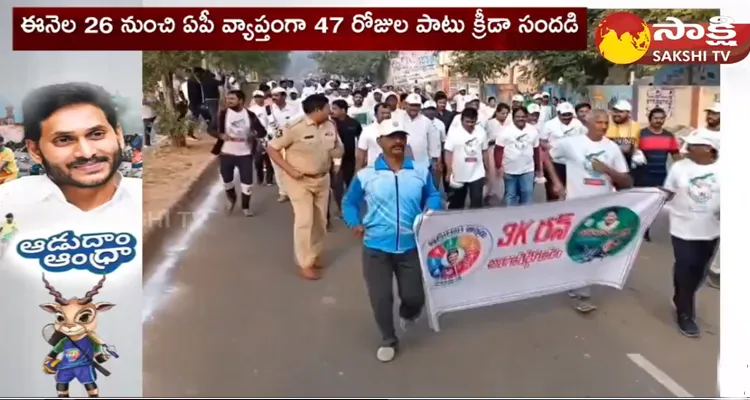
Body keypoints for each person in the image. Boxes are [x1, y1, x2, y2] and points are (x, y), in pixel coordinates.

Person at [341, 121, 442, 362]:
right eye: (391, 137)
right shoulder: (366, 175)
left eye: (401, 137)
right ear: (380, 142)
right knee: (381, 297)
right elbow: (349, 202)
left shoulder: (419, 170)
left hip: (410, 246)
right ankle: (388, 338)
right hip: (376, 247)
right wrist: (354, 221)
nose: (397, 141)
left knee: (415, 296)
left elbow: (434, 195)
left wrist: (429, 211)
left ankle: (409, 313)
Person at [0, 83, 140, 215]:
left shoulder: (144, 201)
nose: (87, 153)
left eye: (97, 134)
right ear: (35, 151)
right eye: (64, 140)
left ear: (118, 135)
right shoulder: (8, 205)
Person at [545, 109, 632, 313]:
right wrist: (556, 182)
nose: (603, 126)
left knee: (590, 245)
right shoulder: (571, 143)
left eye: (606, 123)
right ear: (588, 123)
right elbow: (546, 156)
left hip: (601, 208)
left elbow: (627, 181)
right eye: (599, 122)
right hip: (576, 204)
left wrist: (607, 170)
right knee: (578, 243)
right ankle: (579, 287)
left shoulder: (612, 148)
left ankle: (579, 286)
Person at [267, 94, 344, 280]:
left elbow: (337, 148)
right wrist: (289, 170)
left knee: (320, 221)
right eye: (327, 108)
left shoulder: (330, 125)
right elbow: (272, 148)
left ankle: (314, 254)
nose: (330, 111)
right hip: (299, 180)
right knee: (304, 220)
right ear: (318, 110)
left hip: (322, 179)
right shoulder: (294, 127)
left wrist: (336, 154)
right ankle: (305, 263)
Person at [662, 129, 720, 337]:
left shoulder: (725, 169)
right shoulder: (679, 167)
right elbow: (667, 192)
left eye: (693, 145)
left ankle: (681, 296)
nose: (687, 148)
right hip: (682, 228)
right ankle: (685, 314)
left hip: (711, 231)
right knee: (686, 267)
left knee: (699, 271)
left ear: (708, 149)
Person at [212, 90, 267, 217]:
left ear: (241, 100)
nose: (228, 101)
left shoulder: (250, 115)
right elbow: (211, 129)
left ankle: (246, 207)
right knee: (227, 181)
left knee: (247, 182)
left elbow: (262, 132)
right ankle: (232, 198)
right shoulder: (222, 114)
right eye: (227, 99)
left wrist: (254, 134)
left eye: (232, 99)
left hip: (245, 154)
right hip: (226, 153)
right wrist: (220, 135)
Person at [633, 107, 681, 241]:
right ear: (650, 119)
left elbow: (676, 155)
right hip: (642, 175)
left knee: (655, 205)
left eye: (661, 118)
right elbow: (633, 151)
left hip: (660, 176)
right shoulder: (641, 134)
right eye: (656, 118)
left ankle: (646, 228)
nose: (659, 121)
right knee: (641, 204)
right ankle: (641, 229)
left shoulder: (669, 136)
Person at [540, 102, 587, 202]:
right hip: (555, 163)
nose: (567, 117)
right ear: (558, 113)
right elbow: (542, 141)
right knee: (554, 192)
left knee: (572, 192)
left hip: (573, 163)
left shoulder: (578, 124)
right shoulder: (549, 125)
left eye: (569, 114)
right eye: (564, 115)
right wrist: (550, 148)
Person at [494, 107, 541, 206]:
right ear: (513, 117)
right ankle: (511, 218)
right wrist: (499, 166)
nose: (521, 119)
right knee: (511, 195)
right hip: (509, 169)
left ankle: (526, 218)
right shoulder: (505, 131)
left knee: (527, 193)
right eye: (518, 117)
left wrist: (538, 168)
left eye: (523, 117)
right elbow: (498, 150)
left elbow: (536, 150)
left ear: (527, 117)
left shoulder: (533, 130)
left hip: (528, 169)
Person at [445, 108, 490, 209]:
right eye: (467, 121)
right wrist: (449, 171)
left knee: (477, 202)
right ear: (462, 120)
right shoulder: (454, 133)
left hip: (477, 172)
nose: (470, 124)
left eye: (472, 121)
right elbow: (448, 152)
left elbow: (485, 151)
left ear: (476, 120)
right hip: (459, 172)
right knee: (457, 203)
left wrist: (487, 169)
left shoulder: (481, 131)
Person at [330, 99, 362, 216]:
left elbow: (360, 140)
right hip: (335, 160)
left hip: (350, 159)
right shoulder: (329, 124)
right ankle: (341, 208)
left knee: (351, 185)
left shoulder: (354, 123)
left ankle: (352, 207)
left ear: (343, 110)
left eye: (335, 108)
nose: (331, 111)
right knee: (337, 186)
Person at [270, 87, 301, 203]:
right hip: (276, 140)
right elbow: (268, 124)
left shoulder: (294, 108)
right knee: (278, 166)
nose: (274, 98)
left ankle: (295, 190)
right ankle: (283, 192)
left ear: (283, 96)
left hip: (292, 141)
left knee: (293, 165)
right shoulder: (269, 109)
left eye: (277, 96)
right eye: (273, 96)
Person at [401, 94, 441, 171]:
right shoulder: (398, 118)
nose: (414, 108)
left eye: (417, 105)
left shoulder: (427, 122)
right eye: (412, 105)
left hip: (422, 164)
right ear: (405, 104)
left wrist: (434, 161)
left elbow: (433, 142)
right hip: (400, 164)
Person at [248, 90, 274, 186]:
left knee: (269, 159)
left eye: (259, 97)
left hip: (268, 135)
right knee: (258, 160)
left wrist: (270, 133)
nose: (258, 99)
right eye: (256, 97)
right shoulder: (251, 109)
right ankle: (260, 177)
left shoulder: (268, 108)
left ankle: (269, 179)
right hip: (256, 137)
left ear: (263, 98)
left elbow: (272, 121)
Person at [356, 103, 391, 170]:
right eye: (383, 113)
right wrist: (358, 171)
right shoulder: (367, 130)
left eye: (388, 113)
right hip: (373, 170)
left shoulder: (397, 130)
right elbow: (361, 153)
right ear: (375, 115)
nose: (386, 115)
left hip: (393, 171)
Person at [606, 99, 640, 167]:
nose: (616, 114)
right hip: (610, 165)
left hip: (629, 165)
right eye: (614, 111)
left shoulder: (636, 126)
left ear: (629, 113)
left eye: (620, 112)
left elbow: (637, 147)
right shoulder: (607, 125)